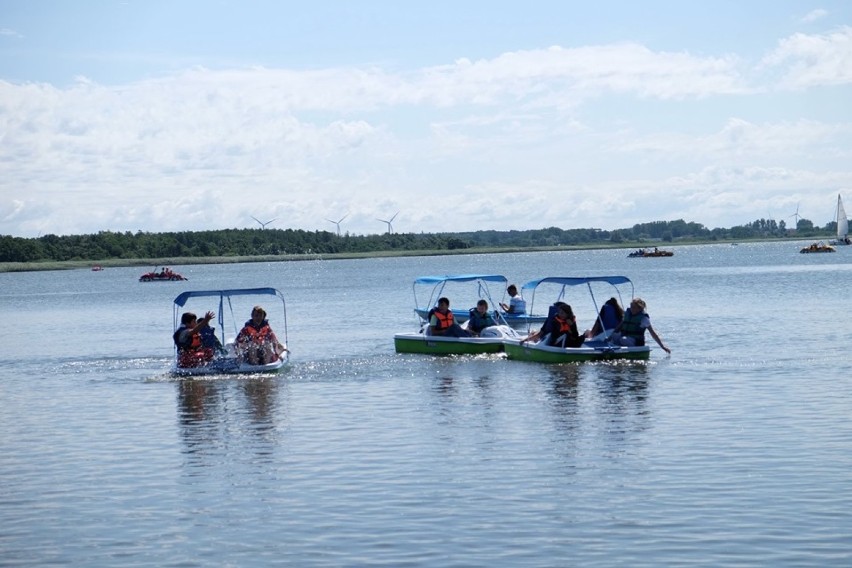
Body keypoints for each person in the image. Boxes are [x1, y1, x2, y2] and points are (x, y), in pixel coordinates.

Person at [520, 302, 585, 348]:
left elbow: (575, 335)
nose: (560, 314)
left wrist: (571, 326)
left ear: (568, 314)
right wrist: (525, 340)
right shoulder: (553, 320)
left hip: (568, 343)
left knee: (583, 334)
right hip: (551, 341)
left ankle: (532, 334)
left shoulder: (571, 321)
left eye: (562, 313)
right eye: (559, 312)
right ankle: (531, 334)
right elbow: (541, 334)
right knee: (535, 332)